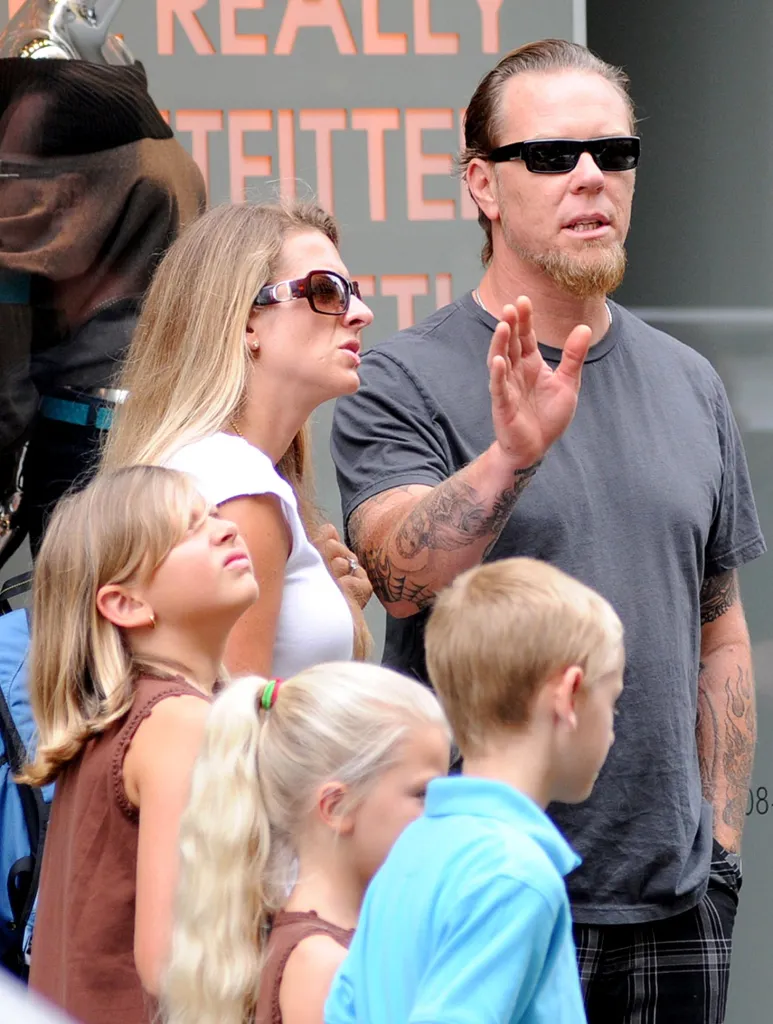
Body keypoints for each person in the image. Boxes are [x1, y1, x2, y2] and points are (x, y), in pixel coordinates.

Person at [330, 39, 766, 1024]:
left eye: (611, 154)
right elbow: (401, 577)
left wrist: (722, 846)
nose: (588, 177)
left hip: (673, 907)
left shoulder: (687, 381)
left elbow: (717, 625)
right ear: (481, 183)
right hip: (486, 878)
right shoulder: (400, 377)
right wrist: (510, 454)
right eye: (552, 154)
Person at [325, 557, 624, 1024]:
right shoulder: (516, 878)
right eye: (613, 700)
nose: (612, 727)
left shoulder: (407, 855)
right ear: (569, 695)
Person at [19, 465, 259, 1024]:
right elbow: (173, 963)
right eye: (188, 531)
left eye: (216, 516)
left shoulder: (127, 721)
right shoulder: (178, 723)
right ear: (125, 604)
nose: (225, 530)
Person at [102, 201, 374, 676]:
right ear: (247, 319)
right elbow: (237, 730)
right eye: (327, 291)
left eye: (352, 291)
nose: (360, 313)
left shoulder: (203, 468)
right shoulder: (238, 485)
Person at [0, 41, 206, 561]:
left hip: (81, 441)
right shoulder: (159, 152)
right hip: (177, 424)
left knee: (87, 632)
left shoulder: (32, 184)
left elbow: (8, 400)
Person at [160, 662, 450, 1024]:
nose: (442, 811)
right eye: (423, 793)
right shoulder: (321, 965)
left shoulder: (344, 942)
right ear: (337, 806)